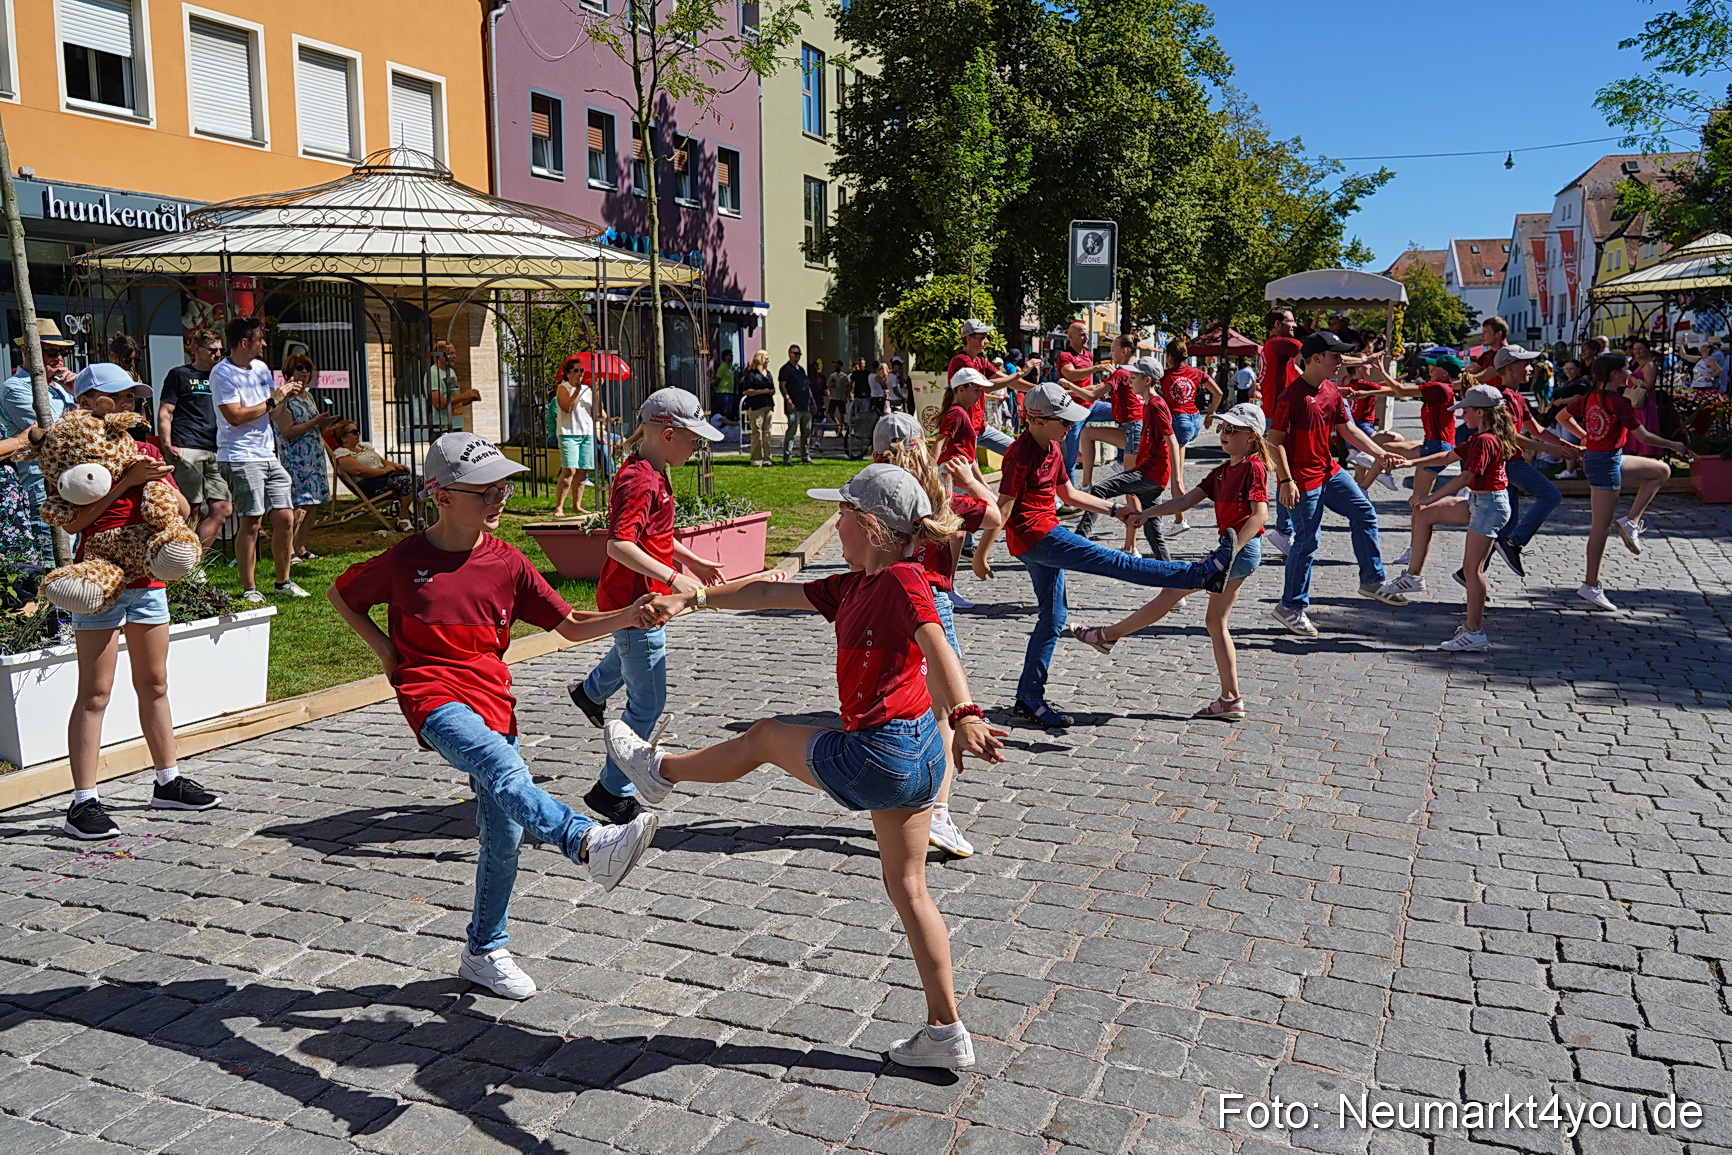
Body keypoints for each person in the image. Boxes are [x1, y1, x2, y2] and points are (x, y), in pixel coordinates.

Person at [610, 463, 1007, 1069]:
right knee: (909, 888)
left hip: (881, 753)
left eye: (841, 515)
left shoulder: (903, 579)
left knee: (767, 736)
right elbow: (768, 593)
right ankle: (946, 1032)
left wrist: (970, 711)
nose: (836, 524)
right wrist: (693, 598)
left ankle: (660, 771)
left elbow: (938, 646)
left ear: (869, 526)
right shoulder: (853, 585)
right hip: (920, 754)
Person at [329, 432, 661, 1000]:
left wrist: (630, 614)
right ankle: (584, 841)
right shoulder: (405, 560)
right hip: (431, 694)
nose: (500, 496)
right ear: (441, 496)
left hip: (493, 699)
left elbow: (573, 625)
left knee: (503, 832)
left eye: (502, 484)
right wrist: (388, 655)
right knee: (503, 765)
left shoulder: (507, 562)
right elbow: (343, 596)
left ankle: (484, 950)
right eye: (485, 489)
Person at [995, 383, 1232, 729]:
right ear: (1039, 420)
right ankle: (1199, 574)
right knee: (1118, 563)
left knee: (1053, 615)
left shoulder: (1053, 447)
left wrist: (1115, 509)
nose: (1069, 427)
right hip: (1037, 538)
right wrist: (981, 552)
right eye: (1063, 422)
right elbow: (1003, 508)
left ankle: (1028, 699)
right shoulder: (1020, 453)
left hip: (1040, 537)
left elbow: (1071, 494)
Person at [54, 364, 222, 840]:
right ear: (87, 402)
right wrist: (126, 483)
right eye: (118, 395)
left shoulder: (145, 447)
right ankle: (83, 800)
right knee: (96, 692)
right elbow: (71, 522)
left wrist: (158, 485)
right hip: (98, 583)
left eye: (133, 394)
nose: (129, 401)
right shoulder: (77, 455)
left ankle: (167, 780)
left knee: (155, 682)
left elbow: (183, 511)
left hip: (147, 580)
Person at [568, 389, 728, 825]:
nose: (697, 447)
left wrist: (689, 558)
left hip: (641, 596)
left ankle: (589, 692)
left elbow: (652, 534)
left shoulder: (654, 470)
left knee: (629, 655)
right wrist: (676, 580)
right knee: (648, 701)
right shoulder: (640, 479)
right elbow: (620, 544)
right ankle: (610, 791)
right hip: (636, 601)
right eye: (693, 439)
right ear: (668, 433)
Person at [1068, 403, 1272, 720]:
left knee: (1171, 594)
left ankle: (1107, 636)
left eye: (1231, 429)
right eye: (1222, 428)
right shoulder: (1221, 471)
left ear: (1251, 437)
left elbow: (1260, 514)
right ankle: (1230, 699)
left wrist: (1229, 553)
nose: (1223, 434)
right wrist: (1147, 513)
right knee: (1214, 622)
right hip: (1232, 554)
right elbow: (1185, 501)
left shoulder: (1253, 468)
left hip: (1240, 552)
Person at [874, 412, 999, 857]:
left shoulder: (873, 496)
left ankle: (893, 798)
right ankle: (938, 812)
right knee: (943, 711)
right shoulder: (944, 502)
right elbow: (995, 515)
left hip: (884, 601)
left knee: (893, 701)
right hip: (932, 605)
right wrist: (971, 481)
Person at [1266, 331, 1409, 639]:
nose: (1341, 362)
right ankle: (1290, 607)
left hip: (1329, 471)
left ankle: (1372, 581)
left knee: (1364, 512)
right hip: (1302, 478)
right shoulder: (1293, 396)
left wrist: (1380, 453)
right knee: (1307, 541)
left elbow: (1349, 430)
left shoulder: (1331, 390)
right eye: (1336, 356)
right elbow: (1273, 442)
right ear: (1316, 358)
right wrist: (1286, 480)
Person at [1377, 384, 1521, 651]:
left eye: (1465, 410)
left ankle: (1473, 631)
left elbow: (1465, 476)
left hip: (1490, 506)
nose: (1461, 415)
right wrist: (1408, 463)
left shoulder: (1485, 441)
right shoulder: (1482, 436)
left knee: (1472, 570)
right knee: (1424, 515)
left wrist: (1431, 496)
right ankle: (1413, 577)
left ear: (1480, 412)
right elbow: (1447, 455)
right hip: (1481, 501)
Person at [1553, 353, 1691, 612]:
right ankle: (1590, 585)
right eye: (1627, 369)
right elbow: (1645, 438)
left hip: (1607, 458)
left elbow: (1561, 417)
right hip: (1604, 463)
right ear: (1616, 374)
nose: (1631, 373)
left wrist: (1587, 437)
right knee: (1600, 527)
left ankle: (1631, 521)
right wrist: (1674, 444)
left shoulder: (1591, 396)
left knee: (1661, 471)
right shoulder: (1619, 402)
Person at [213, 317, 309, 603]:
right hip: (239, 456)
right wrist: (272, 400)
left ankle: (283, 581)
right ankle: (250, 588)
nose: (264, 344)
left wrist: (286, 397)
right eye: (260, 339)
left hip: (267, 454)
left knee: (285, 516)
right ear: (245, 342)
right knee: (252, 521)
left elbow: (273, 413)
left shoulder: (261, 368)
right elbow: (235, 415)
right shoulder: (222, 374)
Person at [1072, 357, 1179, 558]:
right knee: (1153, 530)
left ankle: (1079, 541)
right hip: (1153, 474)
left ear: (1147, 381)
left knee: (1099, 491)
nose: (1129, 381)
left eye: (1134, 377)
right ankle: (1169, 570)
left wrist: (1177, 481)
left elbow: (1171, 440)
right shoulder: (1148, 404)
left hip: (1150, 473)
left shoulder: (1156, 405)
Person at [2, 319, 78, 562]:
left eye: (63, 352)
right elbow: (54, 434)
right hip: (42, 488)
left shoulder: (61, 389)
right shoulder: (16, 388)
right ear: (27, 352)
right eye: (51, 352)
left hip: (73, 484)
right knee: (51, 564)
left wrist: (78, 391)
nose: (59, 359)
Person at [158, 328, 234, 549]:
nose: (218, 355)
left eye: (221, 350)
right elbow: (165, 411)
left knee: (223, 509)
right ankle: (181, 564)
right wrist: (167, 444)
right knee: (189, 509)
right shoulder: (180, 375)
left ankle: (196, 562)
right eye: (212, 350)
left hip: (217, 449)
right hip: (187, 447)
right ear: (197, 350)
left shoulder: (222, 377)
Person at [945, 319, 1042, 460]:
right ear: (968, 338)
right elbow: (988, 386)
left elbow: (1012, 382)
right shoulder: (961, 361)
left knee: (1021, 452)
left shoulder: (981, 361)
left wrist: (1041, 389)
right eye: (982, 337)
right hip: (964, 430)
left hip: (980, 427)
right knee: (969, 479)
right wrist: (1021, 372)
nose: (986, 341)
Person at [272, 353, 336, 562]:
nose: (305, 372)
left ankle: (300, 546)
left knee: (313, 503)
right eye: (300, 368)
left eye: (308, 369)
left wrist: (323, 423)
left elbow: (313, 425)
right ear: (289, 372)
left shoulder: (307, 396)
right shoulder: (283, 398)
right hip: (296, 458)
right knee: (299, 504)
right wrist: (314, 422)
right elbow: (287, 431)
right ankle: (288, 549)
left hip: (314, 455)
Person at [1159, 337, 1224, 534]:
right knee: (1177, 469)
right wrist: (1210, 415)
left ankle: (1180, 519)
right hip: (1194, 419)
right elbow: (1218, 393)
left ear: (1169, 356)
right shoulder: (1197, 372)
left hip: (1179, 422)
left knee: (1176, 477)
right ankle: (1177, 518)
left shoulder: (1165, 375)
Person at [1254, 308, 1302, 551]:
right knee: (1286, 474)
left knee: (1285, 473)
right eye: (1290, 321)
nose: (1294, 325)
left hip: (1276, 414)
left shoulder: (1275, 350)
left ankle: (1284, 529)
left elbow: (1301, 374)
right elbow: (1309, 348)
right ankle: (1283, 530)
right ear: (1276, 324)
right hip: (1278, 416)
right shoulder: (1279, 344)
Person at [1050, 320, 1117, 481]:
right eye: (1081, 334)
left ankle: (1122, 456)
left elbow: (1087, 381)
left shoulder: (1088, 354)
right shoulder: (1065, 356)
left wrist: (1099, 387)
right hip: (1073, 409)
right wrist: (1096, 368)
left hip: (1091, 405)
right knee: (1070, 459)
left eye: (1086, 334)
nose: (1086, 337)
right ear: (1071, 336)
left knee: (1122, 411)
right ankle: (1069, 497)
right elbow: (1070, 375)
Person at [1077, 334, 1140, 489]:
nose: (1110, 354)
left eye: (1112, 350)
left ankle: (1087, 487)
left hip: (1134, 429)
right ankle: (1087, 485)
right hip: (1138, 427)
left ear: (1124, 351)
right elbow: (1097, 388)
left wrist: (1069, 386)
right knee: (1087, 433)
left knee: (1131, 486)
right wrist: (1070, 392)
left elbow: (1093, 395)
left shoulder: (1120, 372)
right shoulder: (1138, 369)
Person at [330, 422, 419, 528]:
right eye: (354, 432)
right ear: (344, 437)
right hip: (370, 484)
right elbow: (358, 471)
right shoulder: (342, 454)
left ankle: (418, 517)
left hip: (385, 479)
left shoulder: (364, 448)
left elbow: (384, 462)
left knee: (419, 480)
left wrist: (396, 465)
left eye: (358, 431)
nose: (358, 434)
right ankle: (403, 518)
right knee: (408, 482)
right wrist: (384, 471)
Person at [553, 355, 597, 519]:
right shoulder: (563, 388)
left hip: (586, 432)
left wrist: (596, 392)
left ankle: (576, 506)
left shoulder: (587, 389)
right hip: (568, 433)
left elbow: (596, 412)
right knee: (569, 470)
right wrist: (577, 390)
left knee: (582, 471)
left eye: (582, 370)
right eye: (576, 370)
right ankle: (559, 507)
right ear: (568, 373)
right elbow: (567, 408)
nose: (580, 373)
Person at [428, 340, 480, 432]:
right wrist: (464, 396)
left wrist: (470, 398)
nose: (454, 357)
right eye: (451, 354)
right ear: (440, 355)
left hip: (456, 425)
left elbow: (454, 401)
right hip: (443, 428)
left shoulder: (451, 371)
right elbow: (438, 404)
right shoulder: (433, 373)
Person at [739, 350, 776, 466]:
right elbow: (746, 391)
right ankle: (756, 458)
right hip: (755, 406)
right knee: (757, 432)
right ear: (759, 358)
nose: (768, 360)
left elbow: (772, 387)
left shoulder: (768, 373)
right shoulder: (751, 374)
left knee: (767, 433)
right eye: (766, 357)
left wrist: (772, 391)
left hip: (768, 405)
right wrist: (762, 391)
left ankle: (767, 458)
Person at [778, 345, 814, 465]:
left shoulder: (801, 370)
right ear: (790, 354)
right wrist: (788, 400)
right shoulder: (785, 369)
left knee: (807, 432)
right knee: (792, 432)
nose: (797, 356)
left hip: (806, 406)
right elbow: (782, 385)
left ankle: (805, 456)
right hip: (793, 407)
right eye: (795, 353)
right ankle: (787, 457)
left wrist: (812, 401)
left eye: (799, 354)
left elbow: (807, 386)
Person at [826, 359, 852, 446]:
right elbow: (828, 385)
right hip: (833, 397)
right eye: (834, 365)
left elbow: (847, 387)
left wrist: (846, 396)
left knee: (841, 414)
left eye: (837, 365)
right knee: (830, 413)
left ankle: (841, 430)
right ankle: (837, 425)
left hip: (841, 397)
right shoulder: (832, 376)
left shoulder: (844, 376)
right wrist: (831, 385)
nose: (835, 366)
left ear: (840, 366)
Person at [712, 347, 738, 426]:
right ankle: (722, 425)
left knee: (729, 411)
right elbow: (717, 379)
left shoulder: (730, 368)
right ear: (725, 357)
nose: (731, 357)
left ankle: (727, 426)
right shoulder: (722, 367)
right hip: (723, 393)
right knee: (724, 411)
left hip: (730, 392)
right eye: (730, 355)